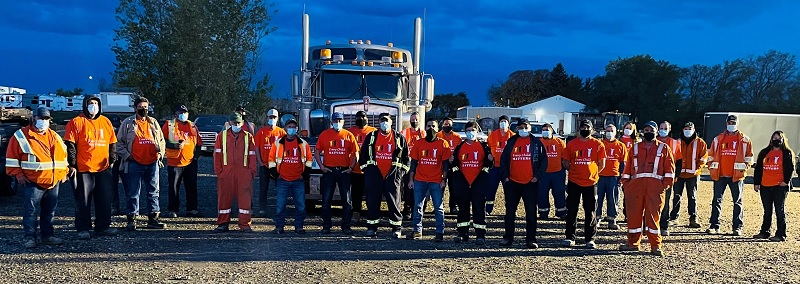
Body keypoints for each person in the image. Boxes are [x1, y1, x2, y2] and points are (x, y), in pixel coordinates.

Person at [6, 107, 68, 248]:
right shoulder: (21, 136)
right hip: (32, 181)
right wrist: (18, 174)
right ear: (33, 118)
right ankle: (30, 238)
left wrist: (63, 172)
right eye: (41, 118)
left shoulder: (54, 136)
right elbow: (11, 158)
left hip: (52, 181)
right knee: (31, 211)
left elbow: (63, 156)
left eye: (46, 119)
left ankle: (48, 235)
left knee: (49, 211)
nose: (43, 121)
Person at [65, 95, 119, 240]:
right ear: (85, 105)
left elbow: (112, 142)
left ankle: (103, 226)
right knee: (83, 200)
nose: (93, 106)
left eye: (96, 103)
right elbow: (70, 145)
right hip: (84, 169)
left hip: (103, 168)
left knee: (105, 198)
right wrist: (72, 165)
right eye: (90, 103)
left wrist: (112, 158)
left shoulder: (105, 122)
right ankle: (83, 228)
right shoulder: (76, 122)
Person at [619, 121, 675, 256]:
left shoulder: (664, 148)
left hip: (655, 188)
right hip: (635, 187)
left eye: (651, 130)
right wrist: (627, 185)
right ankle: (633, 243)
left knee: (653, 217)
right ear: (642, 131)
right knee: (633, 216)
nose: (648, 132)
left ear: (656, 132)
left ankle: (655, 245)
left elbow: (670, 170)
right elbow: (627, 169)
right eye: (646, 129)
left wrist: (663, 186)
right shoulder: (635, 148)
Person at [117, 96, 166, 231]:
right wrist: (128, 156)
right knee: (133, 192)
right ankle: (132, 219)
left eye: (146, 107)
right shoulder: (128, 123)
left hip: (152, 162)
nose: (144, 110)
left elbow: (161, 140)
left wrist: (160, 154)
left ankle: (153, 218)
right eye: (141, 107)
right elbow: (119, 143)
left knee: (154, 192)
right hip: (134, 163)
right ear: (135, 108)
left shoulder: (153, 122)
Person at [499, 118, 547, 249]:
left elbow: (544, 162)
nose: (523, 130)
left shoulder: (537, 143)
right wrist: (506, 178)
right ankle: (508, 238)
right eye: (520, 127)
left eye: (525, 127)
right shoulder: (511, 142)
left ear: (530, 128)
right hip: (512, 182)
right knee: (509, 212)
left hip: (530, 183)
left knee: (531, 212)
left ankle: (531, 239)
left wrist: (537, 177)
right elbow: (503, 161)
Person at [359, 113, 410, 238]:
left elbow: (406, 158)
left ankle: (396, 228)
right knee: (372, 201)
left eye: (386, 120)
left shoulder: (399, 137)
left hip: (392, 175)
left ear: (391, 122)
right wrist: (368, 170)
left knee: (394, 203)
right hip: (374, 175)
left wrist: (400, 173)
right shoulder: (371, 136)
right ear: (378, 122)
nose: (384, 123)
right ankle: (372, 227)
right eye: (382, 120)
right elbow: (363, 154)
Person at [706, 115, 753, 236]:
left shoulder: (745, 140)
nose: (731, 124)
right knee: (716, 201)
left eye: (733, 122)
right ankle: (714, 226)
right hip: (720, 175)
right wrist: (711, 167)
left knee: (737, 202)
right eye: (729, 122)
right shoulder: (717, 139)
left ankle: (737, 227)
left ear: (737, 123)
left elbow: (749, 157)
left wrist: (744, 168)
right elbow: (710, 156)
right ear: (726, 123)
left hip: (736, 176)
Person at [562, 119, 606, 249]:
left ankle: (590, 239)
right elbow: (565, 162)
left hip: (591, 183)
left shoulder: (598, 144)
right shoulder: (571, 144)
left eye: (587, 127)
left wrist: (592, 174)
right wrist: (575, 172)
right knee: (572, 210)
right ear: (579, 129)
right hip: (574, 181)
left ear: (592, 130)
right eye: (583, 127)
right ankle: (570, 237)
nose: (585, 129)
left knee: (590, 211)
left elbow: (602, 164)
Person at [449, 121, 493, 245]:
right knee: (463, 209)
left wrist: (491, 160)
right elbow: (454, 164)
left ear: (477, 132)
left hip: (478, 182)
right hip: (463, 182)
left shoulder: (483, 146)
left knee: (479, 208)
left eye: (473, 130)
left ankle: (480, 235)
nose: (471, 133)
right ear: (465, 132)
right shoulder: (460, 146)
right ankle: (462, 234)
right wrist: (452, 161)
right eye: (468, 130)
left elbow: (489, 164)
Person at [406, 119, 451, 242]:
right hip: (419, 179)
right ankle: (417, 231)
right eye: (429, 126)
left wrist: (444, 180)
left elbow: (446, 164)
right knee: (418, 206)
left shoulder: (443, 144)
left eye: (434, 126)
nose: (431, 128)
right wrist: (411, 180)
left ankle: (439, 232)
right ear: (425, 128)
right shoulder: (418, 143)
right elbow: (413, 163)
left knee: (438, 207)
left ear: (438, 129)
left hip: (436, 181)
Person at [212, 113, 258, 233]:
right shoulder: (222, 136)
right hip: (226, 173)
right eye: (234, 123)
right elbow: (217, 155)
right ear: (230, 123)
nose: (236, 125)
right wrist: (219, 172)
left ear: (242, 123)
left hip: (244, 173)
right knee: (224, 199)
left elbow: (252, 156)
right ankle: (223, 223)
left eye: (238, 123)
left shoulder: (248, 137)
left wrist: (252, 172)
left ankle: (245, 224)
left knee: (245, 201)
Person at [315, 112, 359, 234]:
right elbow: (317, 151)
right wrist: (322, 166)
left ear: (343, 122)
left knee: (347, 200)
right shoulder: (325, 135)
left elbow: (356, 152)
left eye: (340, 120)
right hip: (329, 170)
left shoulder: (349, 135)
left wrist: (351, 167)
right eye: (335, 121)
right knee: (326, 200)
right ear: (331, 122)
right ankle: (326, 226)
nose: (337, 123)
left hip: (344, 171)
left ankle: (346, 226)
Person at [268, 119, 312, 234]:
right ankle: (279, 226)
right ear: (285, 128)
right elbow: (271, 159)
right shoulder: (278, 143)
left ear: (296, 129)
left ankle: (299, 226)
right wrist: (275, 174)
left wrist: (305, 174)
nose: (291, 128)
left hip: (298, 179)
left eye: (293, 126)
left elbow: (309, 160)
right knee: (280, 205)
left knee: (301, 205)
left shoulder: (303, 144)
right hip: (282, 179)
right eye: (289, 126)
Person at [752, 131, 794, 242]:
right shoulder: (764, 152)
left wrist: (786, 181)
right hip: (765, 185)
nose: (777, 140)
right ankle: (764, 232)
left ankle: (781, 234)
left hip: (779, 186)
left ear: (783, 140)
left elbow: (790, 168)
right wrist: (756, 183)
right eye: (774, 138)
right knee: (767, 210)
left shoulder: (787, 153)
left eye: (779, 138)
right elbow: (759, 169)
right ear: (771, 140)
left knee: (779, 210)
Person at [162, 105, 202, 218]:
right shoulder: (169, 125)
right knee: (174, 187)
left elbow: (199, 142)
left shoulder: (192, 125)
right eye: (181, 112)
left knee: (191, 186)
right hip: (175, 162)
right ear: (176, 113)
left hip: (190, 162)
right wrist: (174, 145)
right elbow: (162, 140)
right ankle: (173, 209)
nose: (183, 114)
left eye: (185, 112)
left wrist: (196, 157)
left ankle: (192, 209)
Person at [668, 122, 707, 228]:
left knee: (692, 197)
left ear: (694, 129)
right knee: (676, 196)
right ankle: (674, 217)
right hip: (679, 174)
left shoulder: (700, 142)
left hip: (693, 175)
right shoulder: (677, 142)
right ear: (682, 129)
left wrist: (697, 168)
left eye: (690, 128)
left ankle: (693, 218)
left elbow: (703, 158)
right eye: (686, 128)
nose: (687, 130)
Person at [254, 108, 286, 217]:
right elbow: (257, 147)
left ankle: (280, 209)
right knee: (263, 188)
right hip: (265, 165)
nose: (272, 119)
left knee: (281, 189)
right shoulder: (261, 132)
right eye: (270, 117)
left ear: (277, 119)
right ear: (267, 118)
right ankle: (262, 209)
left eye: (274, 117)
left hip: (278, 167)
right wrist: (260, 162)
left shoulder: (281, 133)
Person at [347, 111, 377, 224]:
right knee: (356, 193)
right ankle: (356, 213)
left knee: (371, 193)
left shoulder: (373, 131)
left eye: (363, 117)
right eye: (359, 117)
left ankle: (371, 215)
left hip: (369, 169)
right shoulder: (350, 132)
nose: (361, 119)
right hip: (355, 169)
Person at [597, 124, 627, 230]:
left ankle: (612, 219)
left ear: (616, 132)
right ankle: (596, 219)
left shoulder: (621, 146)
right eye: (607, 130)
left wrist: (621, 178)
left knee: (613, 199)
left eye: (611, 130)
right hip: (599, 176)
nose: (609, 133)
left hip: (614, 177)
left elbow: (623, 163)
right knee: (597, 199)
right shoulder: (599, 144)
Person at [538, 123, 568, 220]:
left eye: (547, 129)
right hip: (543, 173)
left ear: (552, 131)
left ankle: (561, 212)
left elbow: (565, 157)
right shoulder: (538, 143)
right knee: (542, 193)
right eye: (543, 130)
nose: (545, 131)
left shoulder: (559, 142)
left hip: (557, 173)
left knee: (559, 193)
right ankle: (543, 212)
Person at [656, 121, 681, 236]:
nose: (662, 130)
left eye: (665, 128)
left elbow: (679, 161)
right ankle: (650, 226)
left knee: (665, 203)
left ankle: (663, 226)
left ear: (669, 129)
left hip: (667, 177)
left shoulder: (675, 143)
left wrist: (675, 176)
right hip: (652, 177)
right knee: (650, 203)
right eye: (661, 128)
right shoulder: (651, 141)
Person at [486, 115, 513, 215]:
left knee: (509, 190)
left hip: (507, 169)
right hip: (495, 167)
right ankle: (488, 209)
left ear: (508, 123)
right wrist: (488, 154)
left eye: (505, 121)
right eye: (501, 121)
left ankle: (509, 210)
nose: (503, 123)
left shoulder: (512, 136)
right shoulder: (493, 135)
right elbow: (487, 147)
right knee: (490, 189)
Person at [401, 111, 425, 221]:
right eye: (412, 119)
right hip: (408, 164)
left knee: (419, 189)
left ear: (419, 121)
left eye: (416, 119)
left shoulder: (424, 134)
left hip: (421, 166)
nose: (414, 121)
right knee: (408, 188)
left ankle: (418, 210)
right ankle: (407, 209)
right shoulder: (404, 132)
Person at [436, 117, 462, 214]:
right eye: (446, 124)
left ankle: (453, 206)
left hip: (453, 166)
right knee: (439, 187)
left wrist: (454, 159)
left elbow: (459, 151)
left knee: (453, 187)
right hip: (440, 166)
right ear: (442, 125)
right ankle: (438, 206)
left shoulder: (457, 137)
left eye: (449, 124)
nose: (448, 126)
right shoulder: (437, 136)